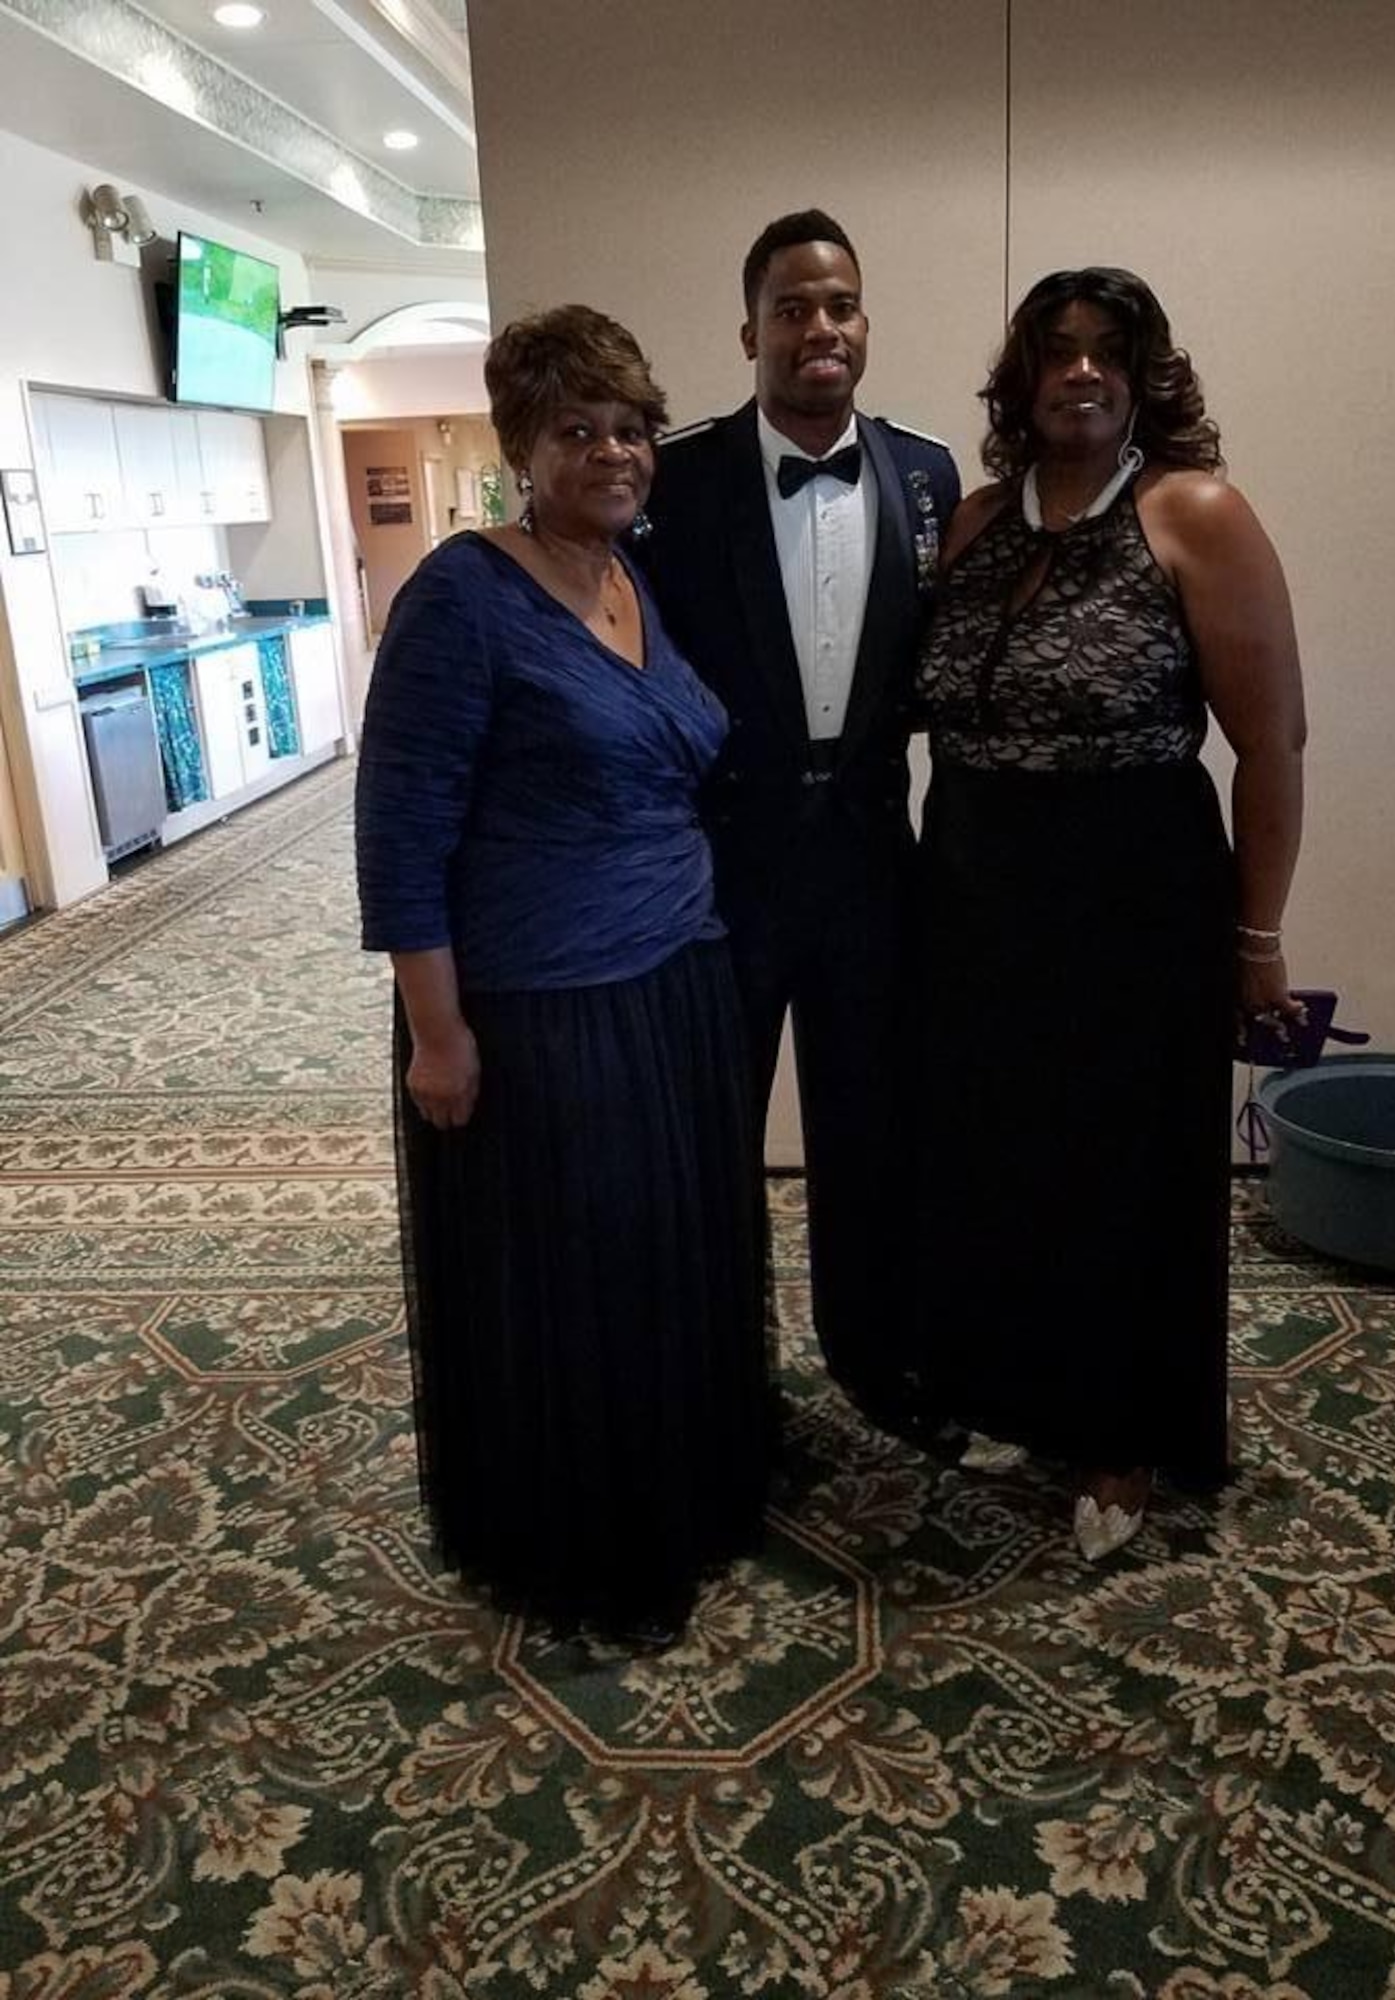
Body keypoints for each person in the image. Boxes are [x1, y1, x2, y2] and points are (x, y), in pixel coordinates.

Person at [354, 305, 768, 1647]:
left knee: (670, 1259)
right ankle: (589, 1543)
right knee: (578, 1283)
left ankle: (688, 1486)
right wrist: (437, 1035)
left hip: (676, 984)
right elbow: (400, 829)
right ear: (523, 448)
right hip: (545, 1009)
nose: (614, 451)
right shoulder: (464, 595)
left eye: (631, 428)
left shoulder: (632, 575)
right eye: (577, 430)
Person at [912, 267, 1306, 1560]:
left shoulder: (1193, 511)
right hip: (977, 894)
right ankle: (1027, 1391)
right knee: (1003, 1158)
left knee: (1129, 1176)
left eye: (1107, 351)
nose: (1080, 371)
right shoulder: (973, 526)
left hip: (1135, 896)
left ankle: (1128, 1439)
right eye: (1056, 351)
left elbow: (1276, 742)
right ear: (1021, 378)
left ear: (1144, 374)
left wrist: (1259, 937)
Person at [642, 209, 961, 1437]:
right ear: (749, 332)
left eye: (840, 305)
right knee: (712, 1135)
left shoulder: (926, 472)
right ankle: (720, 1381)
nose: (819, 328)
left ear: (864, 323)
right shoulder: (674, 473)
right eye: (792, 308)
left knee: (872, 1131)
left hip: (877, 864)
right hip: (725, 864)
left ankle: (877, 1362)